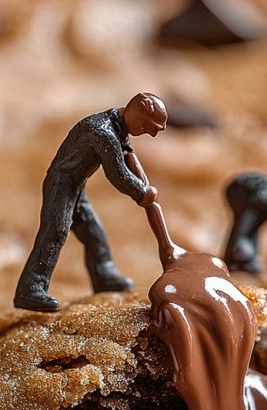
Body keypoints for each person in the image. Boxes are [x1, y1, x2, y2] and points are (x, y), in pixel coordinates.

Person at [13, 93, 165, 311]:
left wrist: (139, 178)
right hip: (61, 184)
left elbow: (126, 156)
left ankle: (104, 275)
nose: (148, 134)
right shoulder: (102, 132)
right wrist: (141, 192)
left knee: (93, 231)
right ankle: (30, 289)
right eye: (147, 127)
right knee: (55, 232)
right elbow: (117, 174)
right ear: (136, 115)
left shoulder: (118, 126)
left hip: (76, 184)